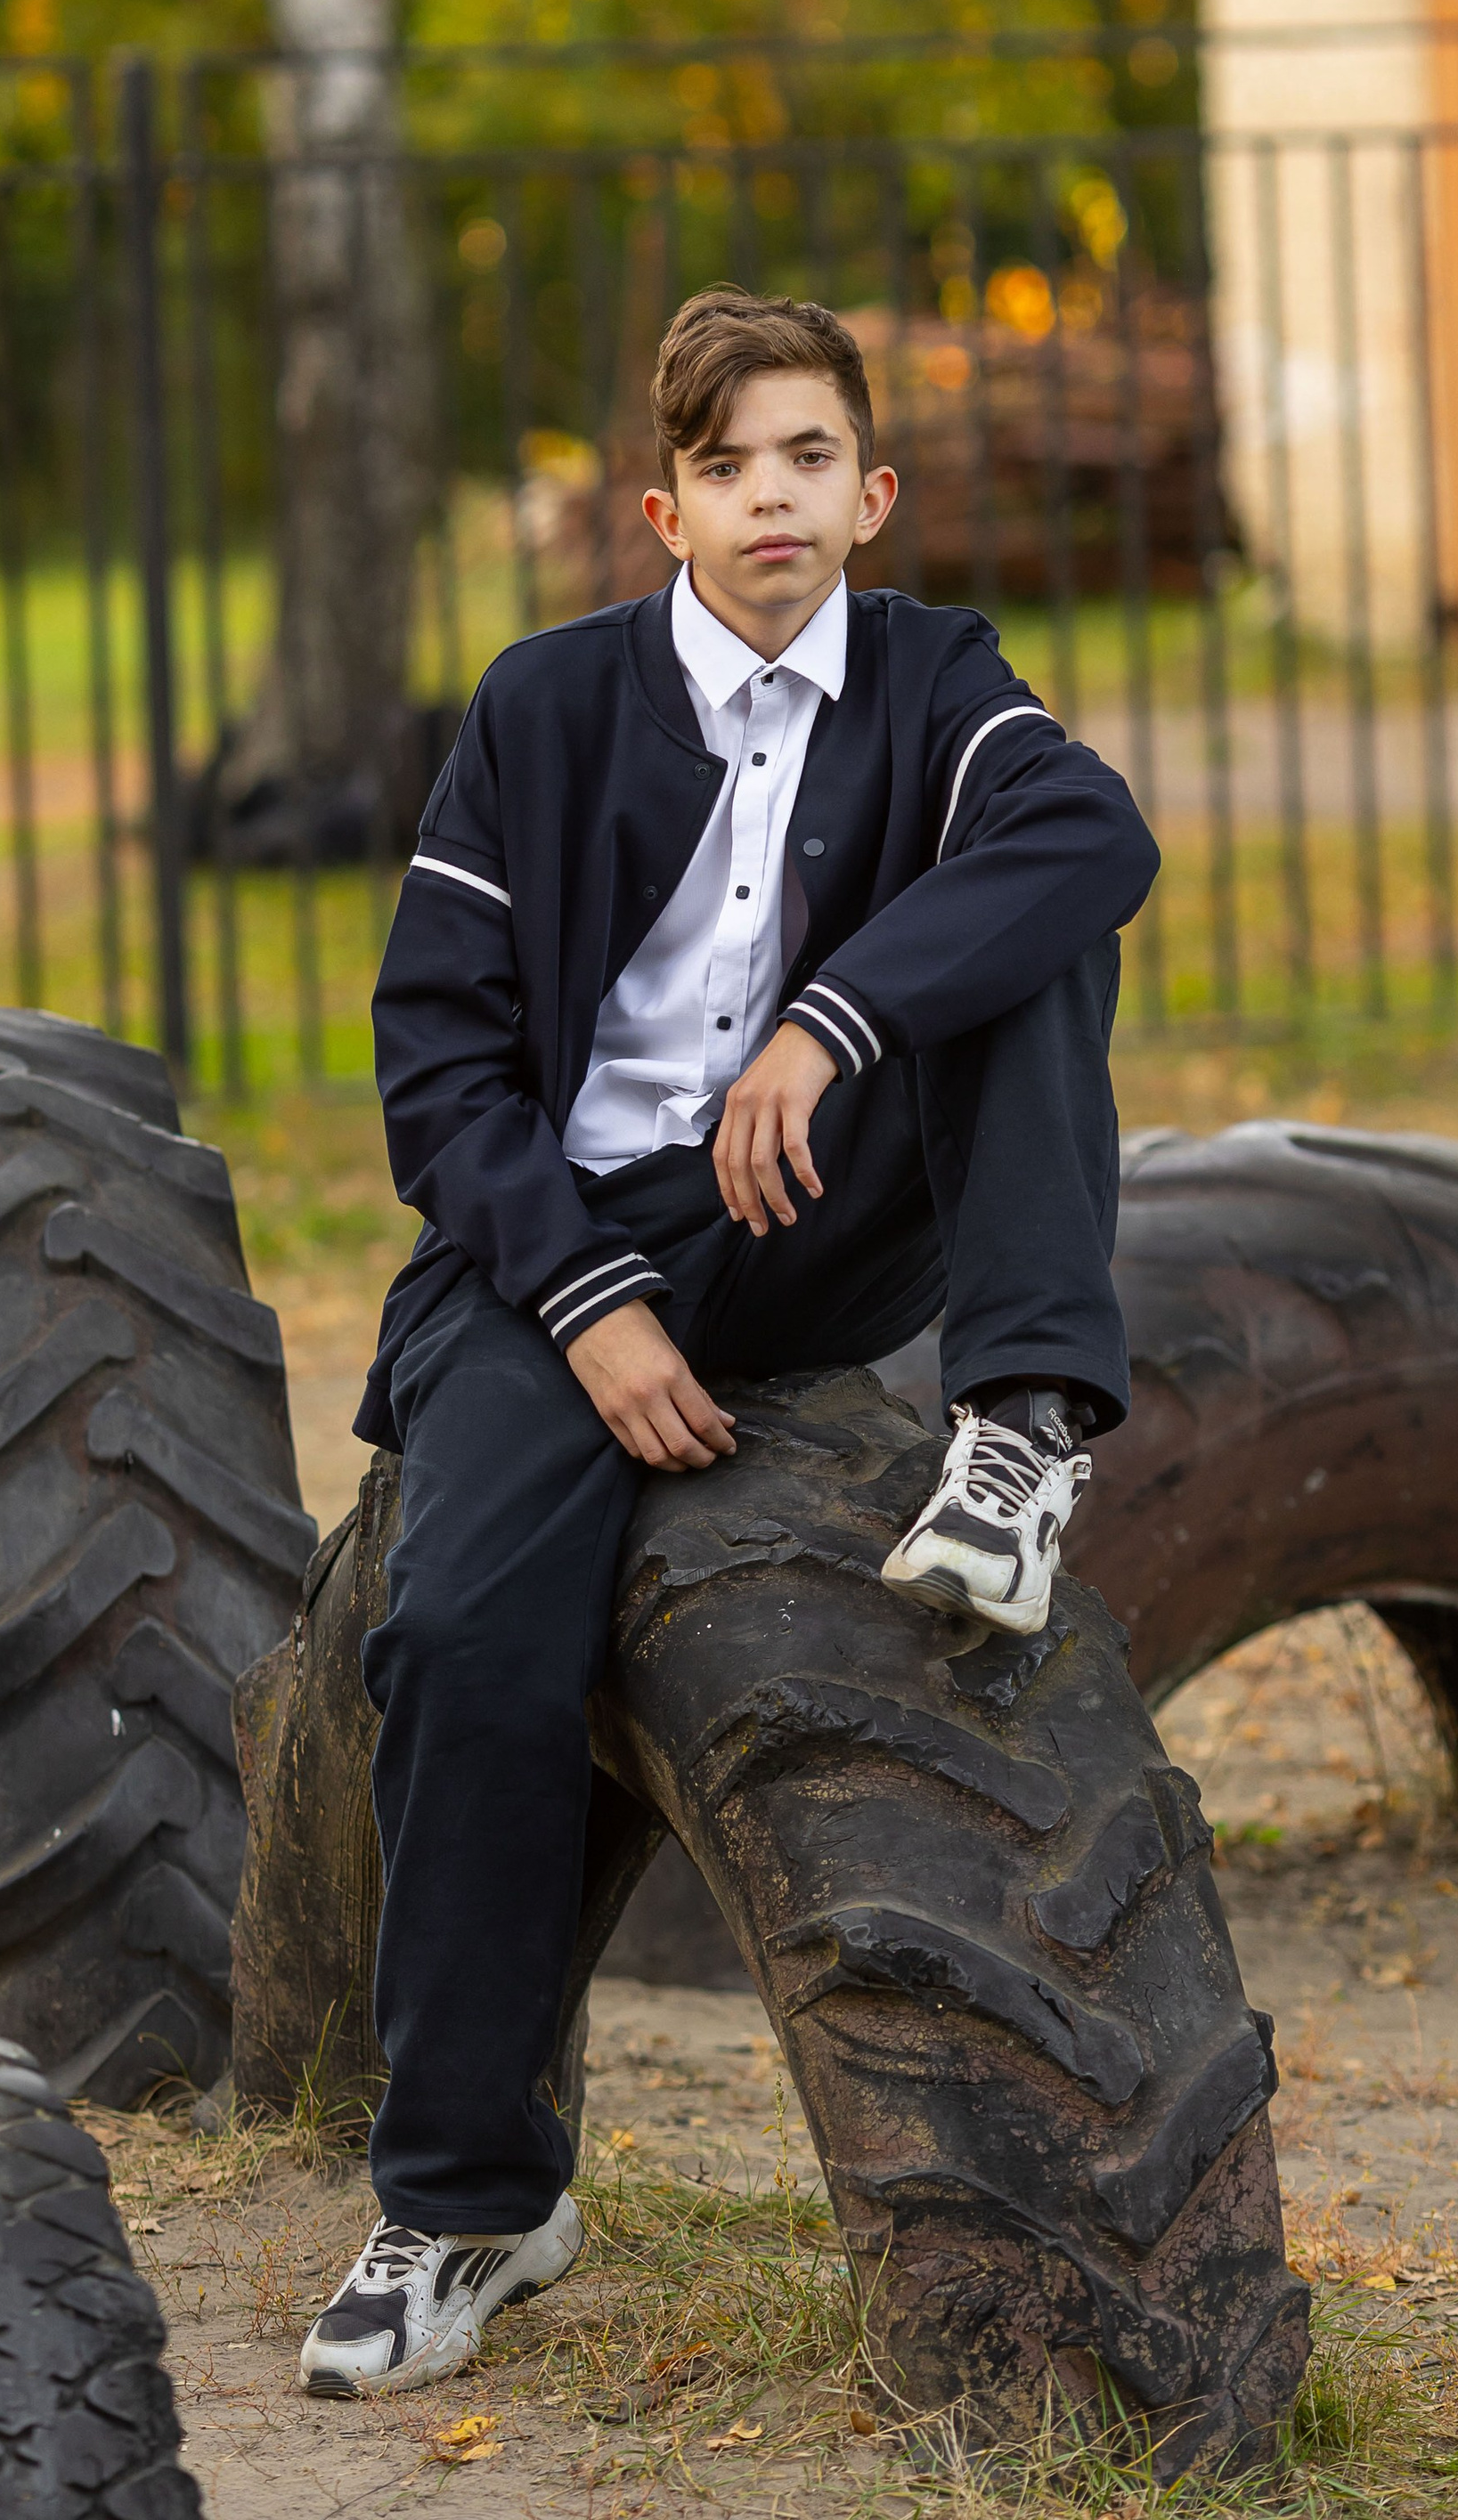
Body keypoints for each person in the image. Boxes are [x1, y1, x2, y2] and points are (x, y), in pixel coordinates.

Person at [297, 286, 1160, 2402]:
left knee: (1026, 918)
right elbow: (436, 1070)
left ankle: (1023, 1427)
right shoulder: (544, 706)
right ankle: (469, 2197)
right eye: (724, 467)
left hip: (816, 1212)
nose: (767, 499)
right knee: (462, 1649)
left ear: (870, 496)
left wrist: (833, 1015)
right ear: (661, 509)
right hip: (560, 1241)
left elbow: (1097, 839)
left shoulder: (940, 680)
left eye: (806, 461)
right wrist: (582, 1301)